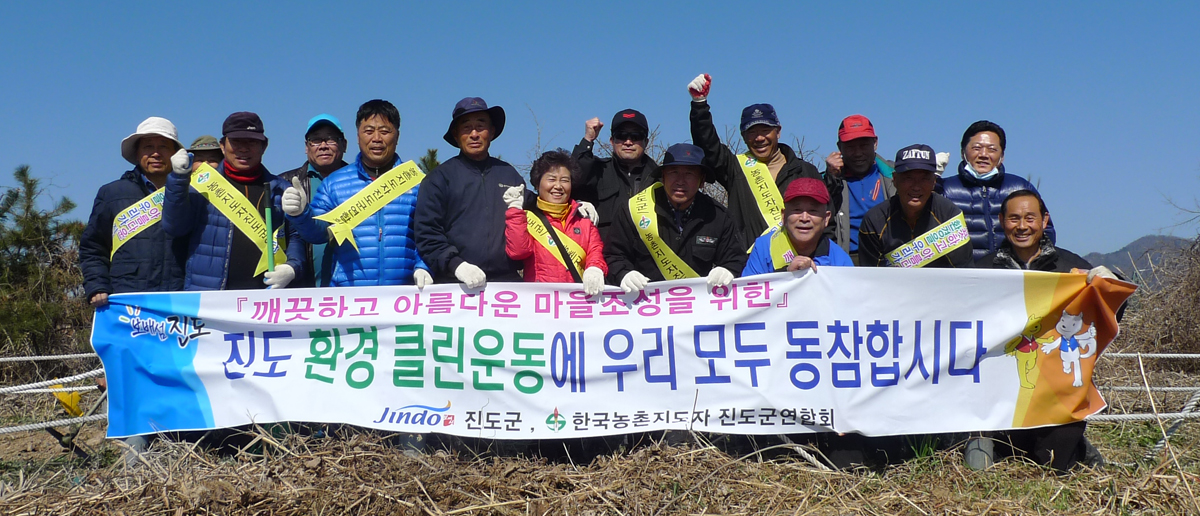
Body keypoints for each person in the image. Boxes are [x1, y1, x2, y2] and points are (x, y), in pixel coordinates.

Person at [968, 189, 1115, 472]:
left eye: (1029, 218)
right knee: (981, 465)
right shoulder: (982, 271)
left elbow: (1111, 312)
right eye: (1013, 218)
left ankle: (1077, 445)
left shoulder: (1070, 268)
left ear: (1045, 220)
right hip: (996, 395)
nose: (1021, 226)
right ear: (1001, 221)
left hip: (1054, 394)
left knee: (1055, 464)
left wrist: (1108, 282)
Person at [283, 100, 432, 288]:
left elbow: (430, 233)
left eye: (385, 131)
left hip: (405, 297)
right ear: (357, 136)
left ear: (397, 136)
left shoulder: (417, 181)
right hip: (349, 300)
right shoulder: (334, 183)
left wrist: (424, 266)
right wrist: (301, 213)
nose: (376, 138)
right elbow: (319, 233)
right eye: (369, 131)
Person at [164, 111, 304, 290]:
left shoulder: (281, 189)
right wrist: (177, 179)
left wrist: (292, 266)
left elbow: (296, 236)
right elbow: (175, 227)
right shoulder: (200, 185)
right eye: (236, 142)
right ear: (222, 146)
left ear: (264, 146)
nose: (244, 149)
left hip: (266, 302)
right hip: (211, 300)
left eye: (252, 142)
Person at [687, 73, 822, 247]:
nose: (759, 138)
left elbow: (824, 218)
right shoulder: (736, 168)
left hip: (797, 264)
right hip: (749, 265)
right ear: (743, 137)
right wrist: (699, 106)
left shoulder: (806, 171)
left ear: (778, 131)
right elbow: (708, 146)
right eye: (751, 132)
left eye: (765, 130)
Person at [604, 143, 747, 291]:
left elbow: (735, 259)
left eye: (689, 174)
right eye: (673, 172)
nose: (680, 181)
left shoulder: (717, 216)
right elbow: (614, 255)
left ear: (702, 181)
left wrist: (728, 270)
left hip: (696, 306)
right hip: (644, 304)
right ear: (663, 177)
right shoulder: (632, 210)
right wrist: (624, 273)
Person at [79, 116, 188, 308]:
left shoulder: (192, 193)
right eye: (148, 147)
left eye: (163, 146)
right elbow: (93, 247)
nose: (156, 153)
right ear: (137, 153)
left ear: (175, 154)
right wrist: (97, 286)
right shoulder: (112, 194)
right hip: (126, 302)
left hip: (178, 302)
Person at [413, 97, 522, 288]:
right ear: (456, 135)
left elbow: (536, 210)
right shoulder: (439, 178)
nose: (474, 134)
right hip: (454, 285)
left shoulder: (509, 174)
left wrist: (576, 207)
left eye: (480, 126)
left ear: (492, 131)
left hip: (507, 286)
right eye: (466, 127)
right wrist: (456, 265)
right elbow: (427, 233)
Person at [939, 120, 1055, 261]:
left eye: (992, 149)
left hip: (1009, 274)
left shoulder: (1020, 187)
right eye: (976, 148)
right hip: (962, 277)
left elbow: (1045, 231)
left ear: (1002, 156)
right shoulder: (945, 189)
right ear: (963, 152)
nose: (983, 154)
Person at [504, 150, 606, 294]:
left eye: (564, 180)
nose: (558, 186)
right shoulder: (525, 219)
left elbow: (596, 253)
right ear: (537, 183)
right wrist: (514, 211)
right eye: (551, 179)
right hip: (540, 302)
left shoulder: (584, 221)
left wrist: (595, 268)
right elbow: (518, 252)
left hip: (577, 302)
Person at [859, 144, 974, 268]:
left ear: (934, 181)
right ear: (895, 179)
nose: (916, 187)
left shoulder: (950, 216)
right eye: (908, 178)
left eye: (924, 179)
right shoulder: (874, 221)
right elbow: (871, 278)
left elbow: (964, 273)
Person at [279, 114, 350, 287]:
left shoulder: (361, 183)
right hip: (303, 294)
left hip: (352, 292)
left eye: (331, 139)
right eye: (316, 140)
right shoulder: (285, 183)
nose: (323, 146)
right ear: (306, 147)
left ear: (344, 145)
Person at [571, 109, 660, 242]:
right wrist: (588, 140)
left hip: (648, 259)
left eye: (635, 136)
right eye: (622, 135)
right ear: (612, 141)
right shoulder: (597, 171)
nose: (628, 142)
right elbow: (573, 179)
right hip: (604, 259)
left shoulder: (660, 178)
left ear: (646, 142)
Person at [822, 115, 895, 262]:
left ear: (875, 143)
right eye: (850, 147)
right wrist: (831, 179)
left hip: (889, 258)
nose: (858, 153)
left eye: (863, 145)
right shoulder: (826, 179)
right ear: (839, 147)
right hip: (847, 259)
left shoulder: (896, 175)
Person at [743, 178, 853, 275]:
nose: (804, 218)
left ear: (826, 218)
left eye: (813, 211)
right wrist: (786, 274)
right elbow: (748, 292)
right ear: (783, 216)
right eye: (797, 210)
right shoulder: (763, 247)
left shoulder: (839, 259)